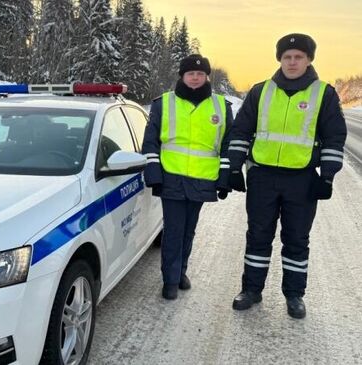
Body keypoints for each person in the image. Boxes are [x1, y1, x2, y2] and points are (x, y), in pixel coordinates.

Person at [228, 33, 347, 318]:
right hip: (263, 177)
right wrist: (234, 167)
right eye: (287, 57)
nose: (292, 62)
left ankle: (294, 295)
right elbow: (241, 130)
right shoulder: (260, 91)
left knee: (296, 239)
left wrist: (327, 176)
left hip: (302, 180)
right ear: (279, 59)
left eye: (298, 57)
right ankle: (251, 290)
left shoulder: (324, 94)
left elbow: (334, 137)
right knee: (258, 236)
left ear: (308, 60)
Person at [143, 54, 233, 300]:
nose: (195, 77)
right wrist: (153, 173)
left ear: (207, 77)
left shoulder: (221, 107)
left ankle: (181, 271)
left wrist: (225, 178)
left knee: (189, 230)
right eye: (191, 73)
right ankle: (170, 280)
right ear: (182, 76)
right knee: (173, 230)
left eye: (200, 73)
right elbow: (150, 142)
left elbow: (227, 145)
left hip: (203, 179)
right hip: (171, 177)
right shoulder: (164, 104)